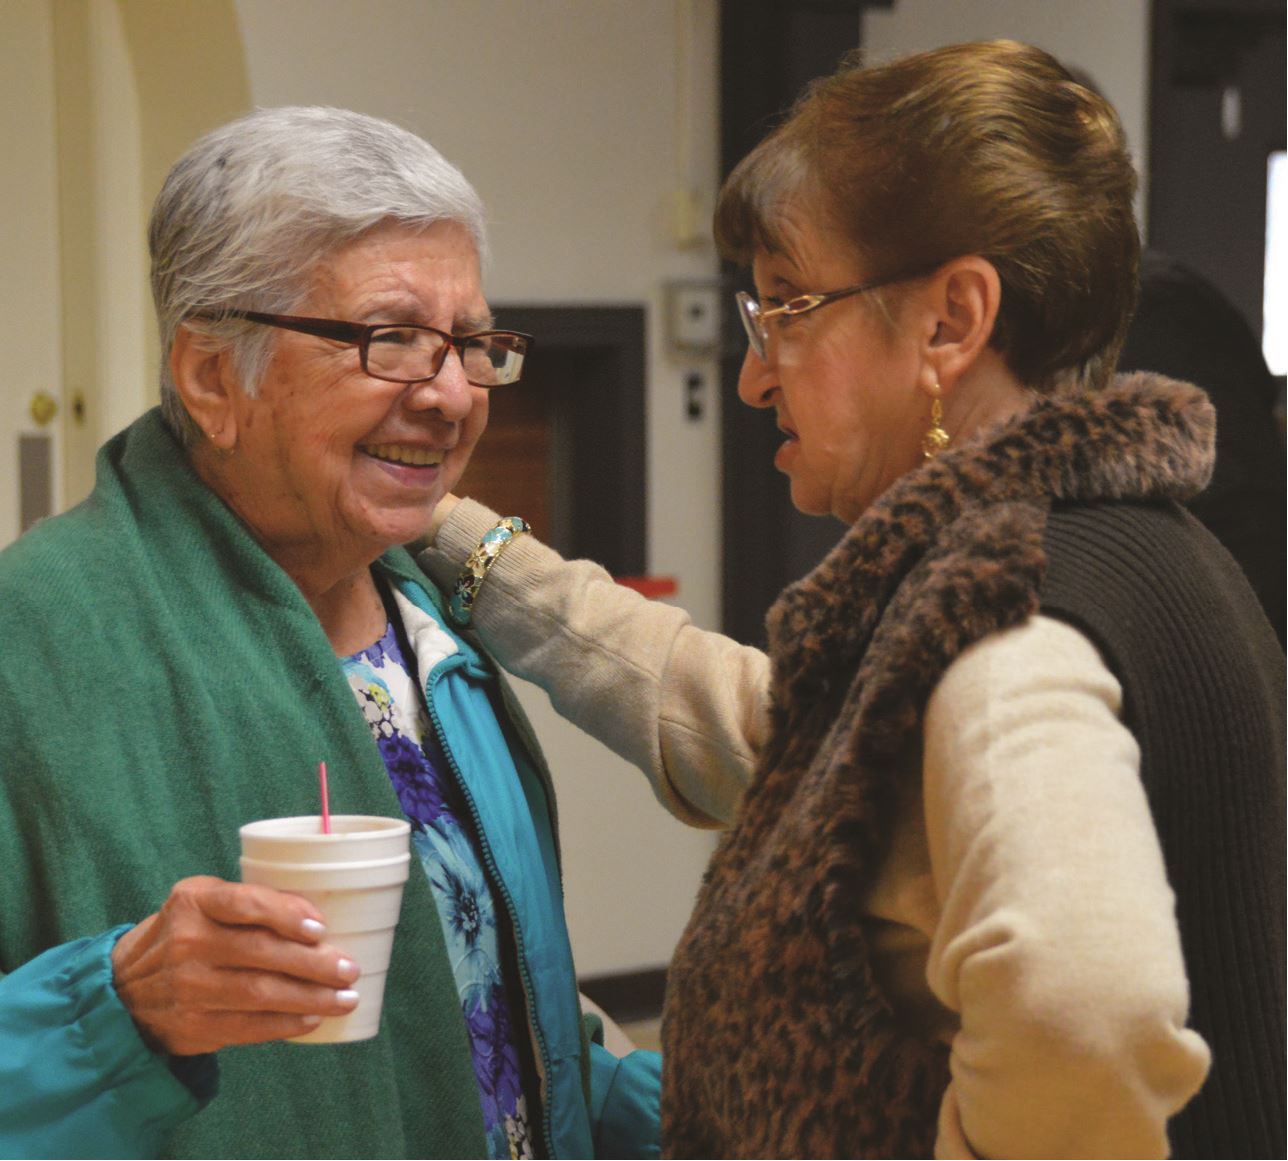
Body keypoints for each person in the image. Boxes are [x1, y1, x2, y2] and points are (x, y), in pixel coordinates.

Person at [416, 41, 1286, 1159]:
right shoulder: (1125, 546)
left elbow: (1087, 1014)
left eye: (787, 308)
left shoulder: (1016, 631)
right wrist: (473, 550)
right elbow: (785, 739)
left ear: (949, 321)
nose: (752, 373)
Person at [0, 106, 661, 1159]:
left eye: (471, 344)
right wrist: (120, 1012)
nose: (450, 396)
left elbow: (482, 999)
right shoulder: (35, 645)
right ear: (213, 376)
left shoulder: (432, 615)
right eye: (389, 340)